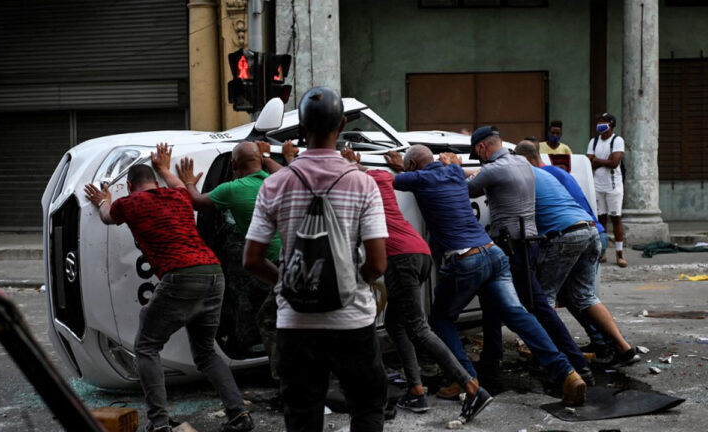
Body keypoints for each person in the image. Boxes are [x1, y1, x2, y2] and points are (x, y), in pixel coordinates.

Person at [384, 144, 587, 408]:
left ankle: (465, 377)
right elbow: (457, 172)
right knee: (519, 317)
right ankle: (568, 374)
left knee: (440, 318)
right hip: (494, 253)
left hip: (465, 259)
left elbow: (388, 179)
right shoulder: (455, 173)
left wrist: (392, 167)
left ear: (412, 166)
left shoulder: (420, 178)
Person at [243, 87, 389, 432]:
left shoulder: (275, 183)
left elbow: (251, 260)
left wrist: (290, 280)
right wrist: (351, 281)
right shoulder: (361, 183)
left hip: (295, 323)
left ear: (301, 130)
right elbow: (378, 264)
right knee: (367, 408)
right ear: (340, 125)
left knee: (302, 415)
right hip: (352, 321)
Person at [83, 144, 253, 432]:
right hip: (213, 274)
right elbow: (179, 185)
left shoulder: (130, 203)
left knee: (146, 346)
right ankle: (239, 416)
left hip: (181, 277)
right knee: (206, 354)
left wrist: (104, 199)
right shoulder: (178, 196)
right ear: (154, 181)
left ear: (130, 186)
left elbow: (106, 216)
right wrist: (165, 169)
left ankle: (159, 424)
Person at [340, 148, 488, 420]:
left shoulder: (355, 182)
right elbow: (394, 174)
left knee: (419, 327)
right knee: (397, 323)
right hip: (419, 252)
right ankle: (417, 391)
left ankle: (471, 386)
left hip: (400, 258)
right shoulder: (383, 177)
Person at [465, 126, 592, 389]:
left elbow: (467, 189)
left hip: (512, 247)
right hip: (527, 244)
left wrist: (448, 167)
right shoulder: (521, 164)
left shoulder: (494, 169)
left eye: (477, 155)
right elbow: (482, 181)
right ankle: (490, 367)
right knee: (492, 303)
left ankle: (574, 366)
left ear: (481, 148)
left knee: (534, 308)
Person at [166, 140, 295, 379]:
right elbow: (289, 172)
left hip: (272, 264)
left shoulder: (232, 189)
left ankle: (286, 382)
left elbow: (196, 202)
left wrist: (190, 183)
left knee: (269, 320)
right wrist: (266, 156)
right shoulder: (278, 179)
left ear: (234, 166)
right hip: (294, 260)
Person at [514, 142, 641, 367]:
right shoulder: (555, 174)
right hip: (590, 230)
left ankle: (549, 355)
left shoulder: (531, 175)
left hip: (565, 235)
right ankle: (623, 348)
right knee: (583, 296)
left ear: (525, 160)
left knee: (544, 296)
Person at [586, 113, 627, 267]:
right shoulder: (594, 141)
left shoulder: (617, 140)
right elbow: (588, 161)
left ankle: (619, 254)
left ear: (611, 124)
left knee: (616, 218)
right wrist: (604, 160)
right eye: (599, 122)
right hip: (597, 185)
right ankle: (602, 252)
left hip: (613, 186)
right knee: (601, 219)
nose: (600, 125)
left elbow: (615, 163)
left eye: (603, 122)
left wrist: (596, 160)